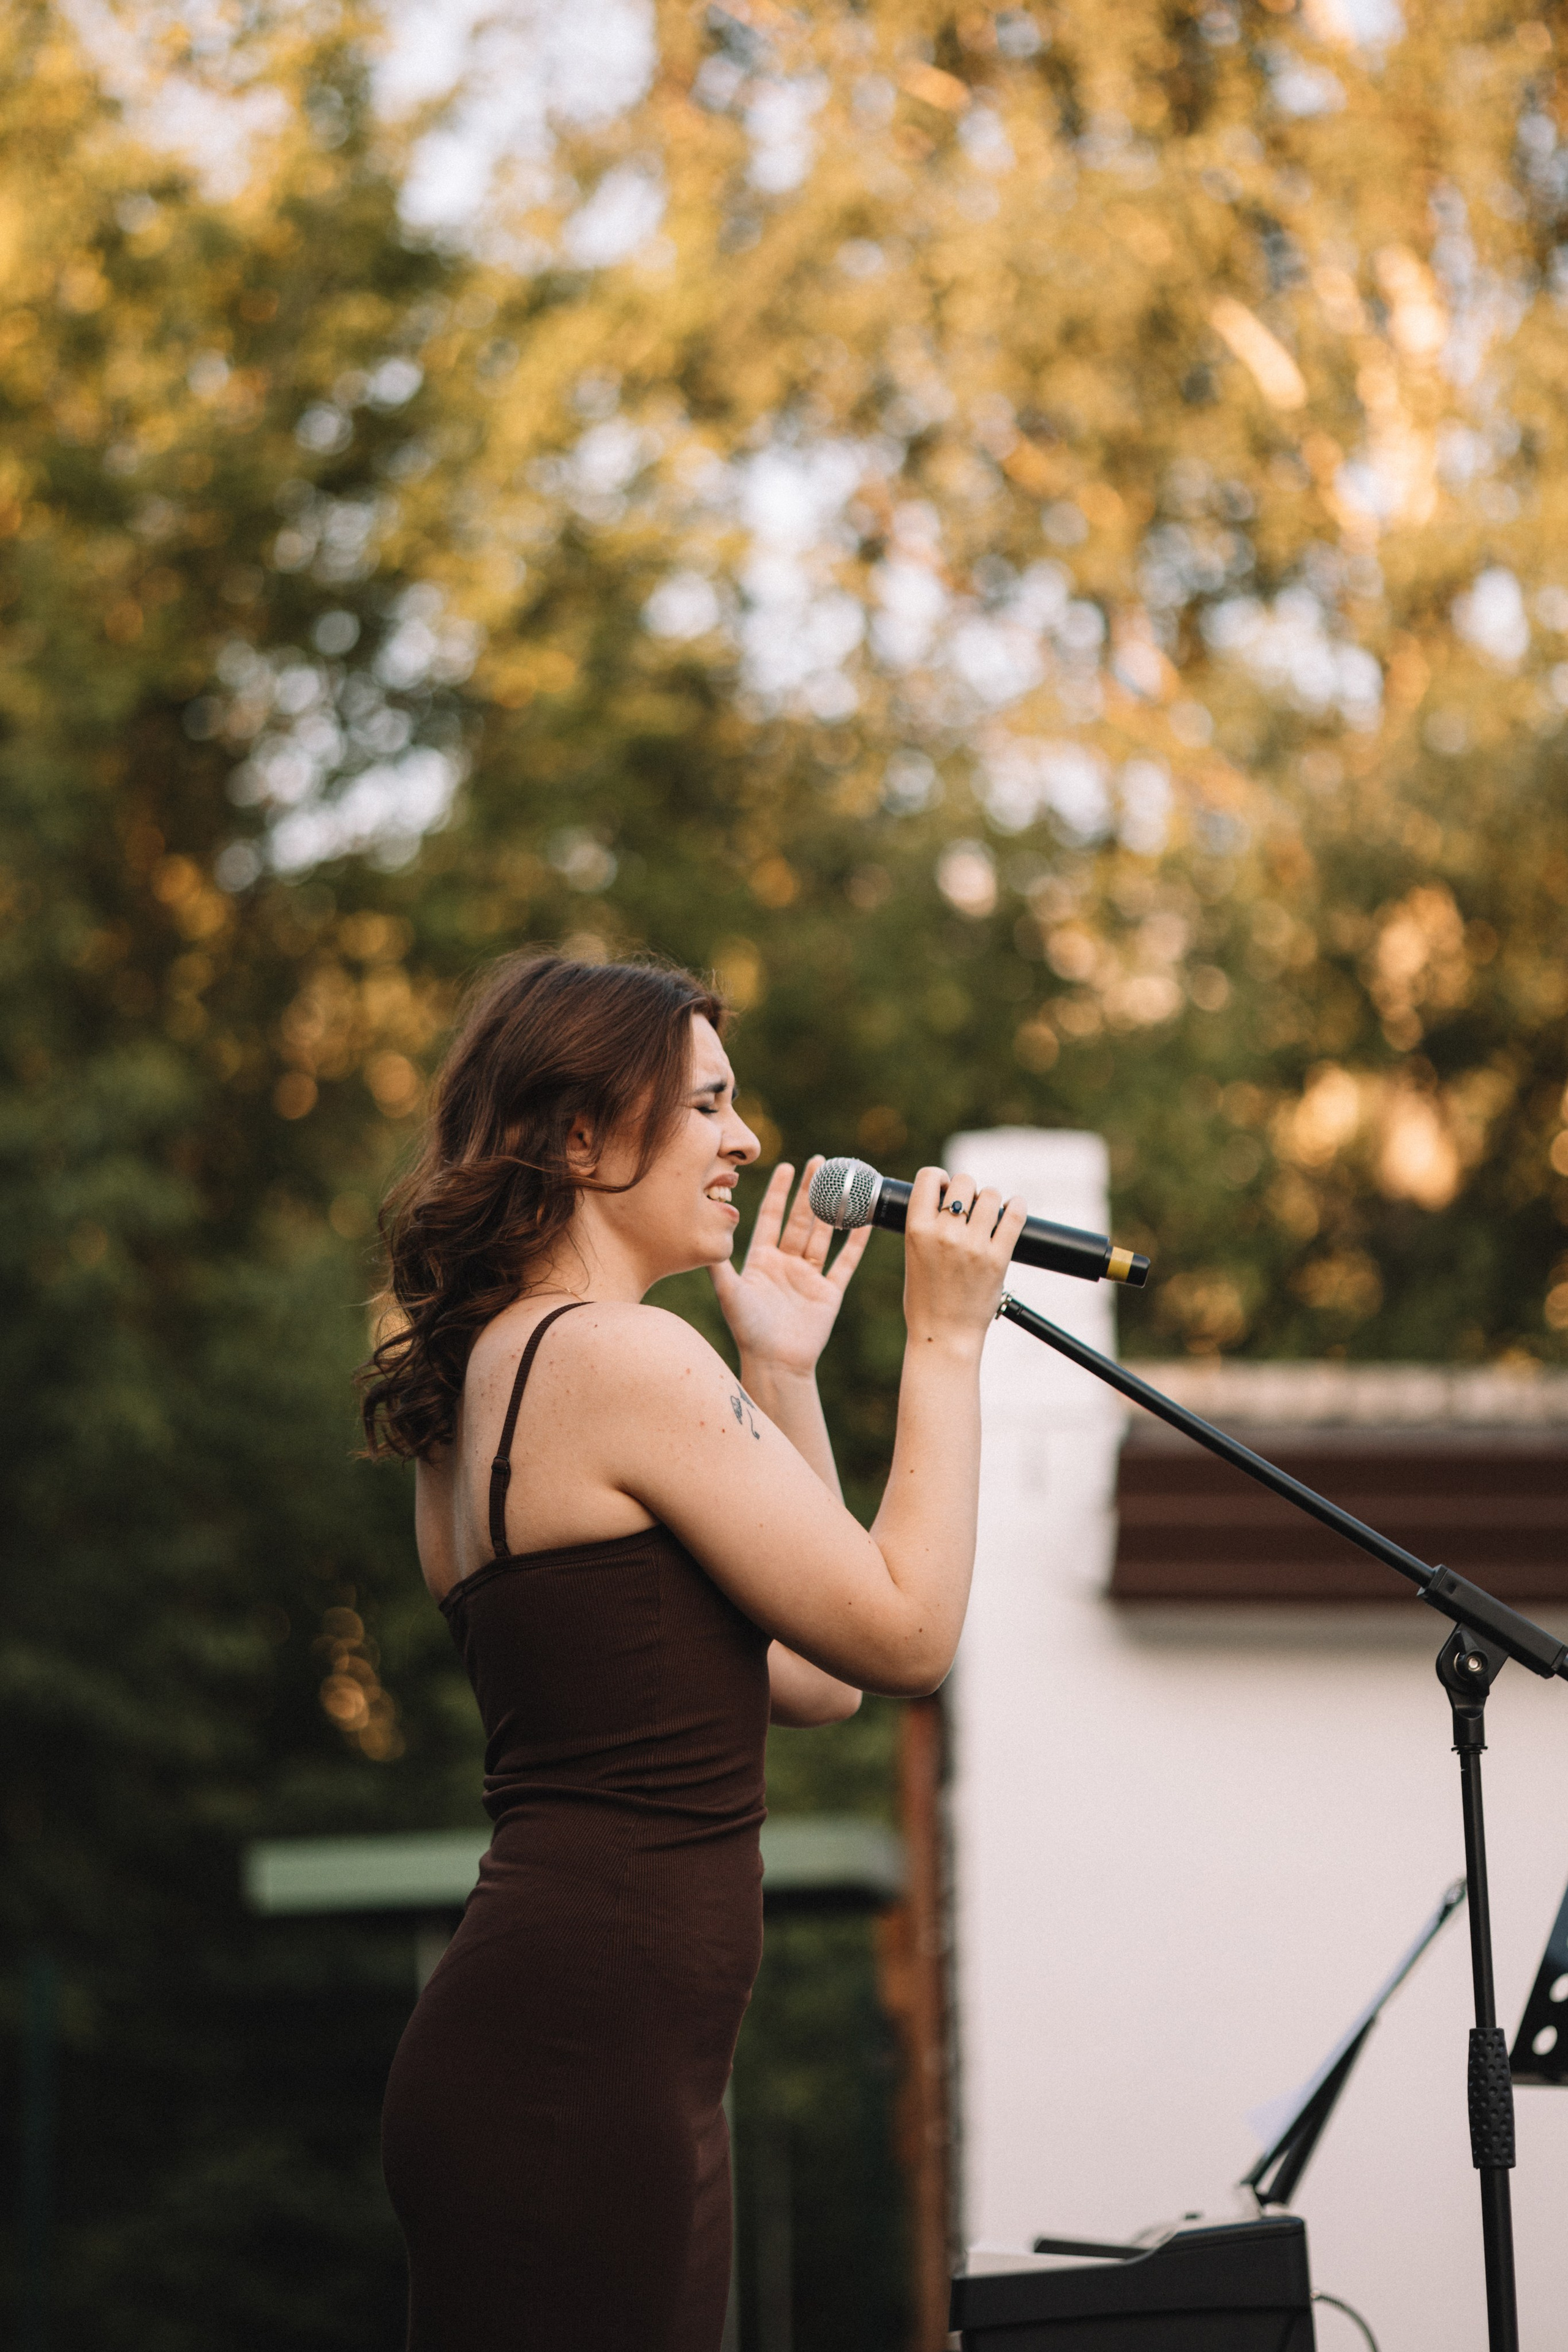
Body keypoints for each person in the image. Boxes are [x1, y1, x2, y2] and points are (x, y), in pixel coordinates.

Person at [364, 949, 1025, 2351]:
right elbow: (907, 1632)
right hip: (577, 2060)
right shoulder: (618, 1361)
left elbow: (817, 1676)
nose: (746, 1141)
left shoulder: (501, 1372)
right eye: (707, 1105)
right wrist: (944, 1346)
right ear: (581, 1135)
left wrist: (780, 1370)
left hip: (586, 2049)